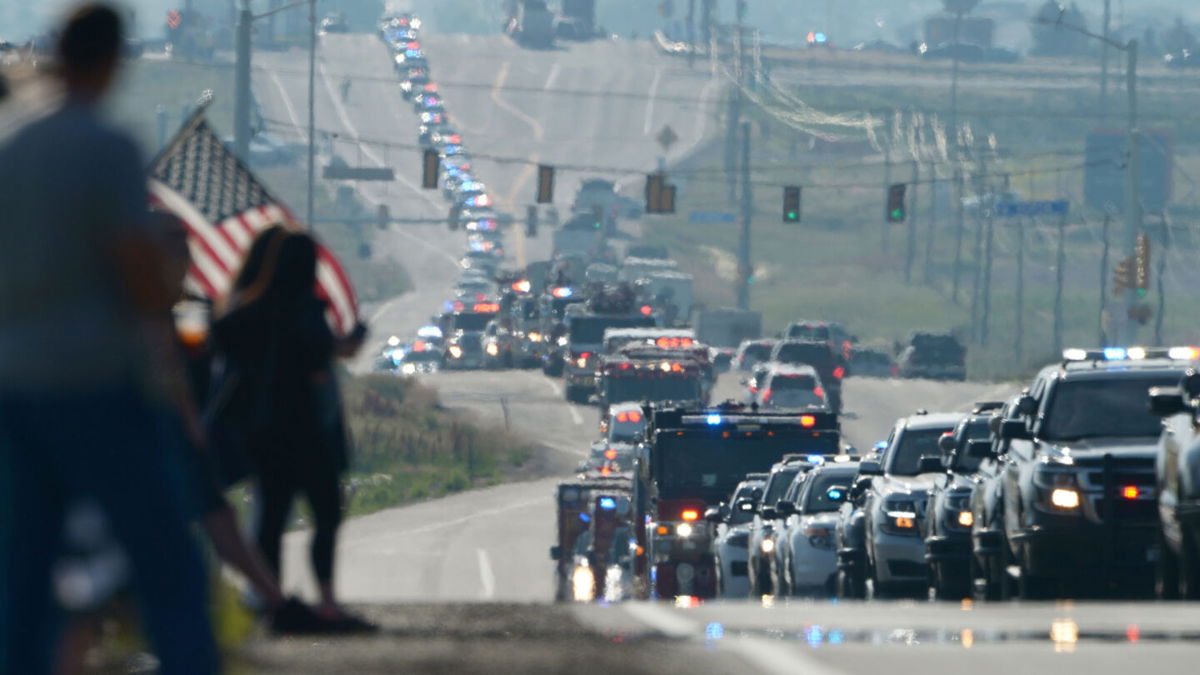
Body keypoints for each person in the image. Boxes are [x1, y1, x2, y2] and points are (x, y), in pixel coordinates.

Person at [0, 5, 219, 674]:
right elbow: (133, 268)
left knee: (25, 567)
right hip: (96, 378)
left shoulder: (11, 142)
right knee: (163, 556)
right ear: (110, 59)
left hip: (16, 377)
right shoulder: (105, 146)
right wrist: (161, 303)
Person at [210, 227, 372, 632]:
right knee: (326, 515)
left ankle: (271, 603)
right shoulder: (305, 308)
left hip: (262, 431)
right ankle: (328, 603)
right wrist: (348, 344)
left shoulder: (249, 309)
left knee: (271, 517)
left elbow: (222, 341)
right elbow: (319, 361)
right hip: (308, 430)